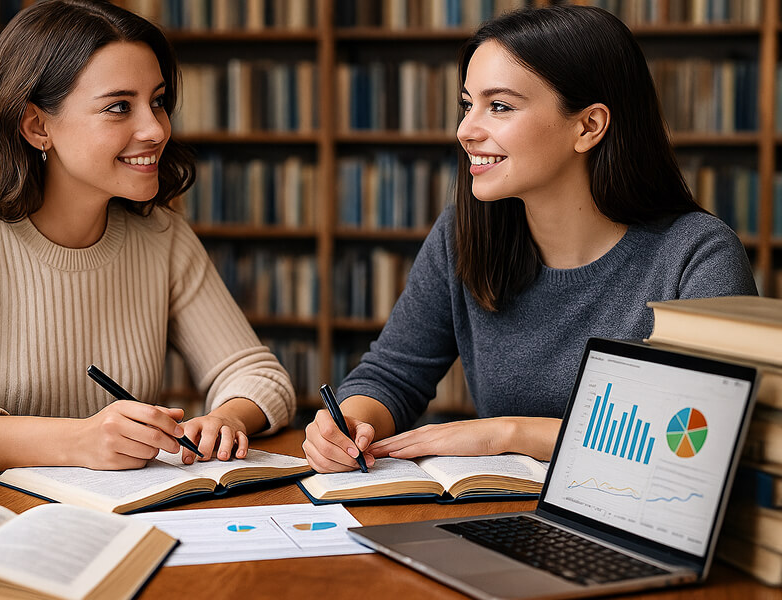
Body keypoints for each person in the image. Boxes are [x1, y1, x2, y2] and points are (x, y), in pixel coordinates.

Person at [303, 5, 757, 473]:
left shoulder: (698, 255)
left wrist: (505, 433)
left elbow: (703, 438)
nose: (466, 131)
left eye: (498, 106)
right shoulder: (464, 234)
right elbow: (393, 375)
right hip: (504, 515)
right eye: (467, 104)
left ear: (588, 126)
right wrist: (352, 422)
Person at [0, 0, 294, 476]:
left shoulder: (160, 233)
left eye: (157, 101)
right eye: (119, 107)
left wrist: (226, 418)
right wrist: (78, 440)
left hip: (119, 515)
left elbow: (259, 376)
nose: (156, 128)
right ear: (37, 126)